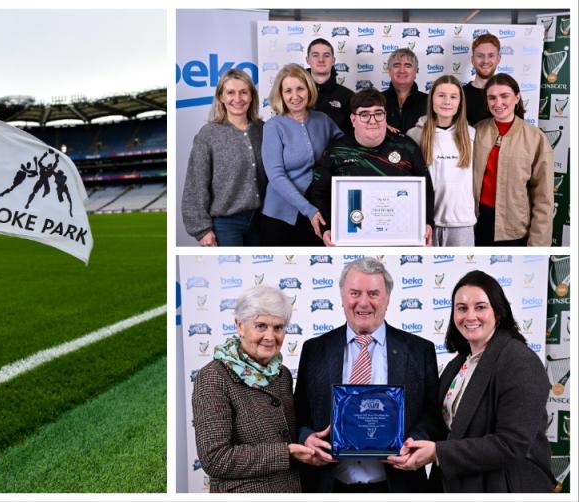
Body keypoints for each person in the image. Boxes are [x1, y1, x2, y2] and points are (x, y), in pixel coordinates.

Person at [387, 270, 556, 492]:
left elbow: (512, 444)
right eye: (462, 308)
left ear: (498, 312)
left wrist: (438, 453)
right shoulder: (457, 365)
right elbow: (446, 427)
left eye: (480, 307)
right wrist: (411, 442)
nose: (470, 316)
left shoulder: (520, 360)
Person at [294, 257, 441, 492]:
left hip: (397, 486)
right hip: (328, 485)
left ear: (387, 299)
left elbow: (432, 415)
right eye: (355, 293)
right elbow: (298, 415)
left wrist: (413, 441)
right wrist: (306, 438)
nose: (363, 302)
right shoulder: (314, 350)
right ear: (342, 297)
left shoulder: (419, 350)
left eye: (373, 293)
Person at [192, 285, 316, 492]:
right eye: (261, 326)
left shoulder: (282, 374)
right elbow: (215, 458)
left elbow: (286, 435)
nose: (270, 336)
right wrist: (285, 453)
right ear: (240, 325)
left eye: (278, 327)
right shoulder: (214, 376)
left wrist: (307, 440)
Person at [307, 88, 435, 246]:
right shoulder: (336, 151)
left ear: (385, 116)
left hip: (400, 238)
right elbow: (319, 192)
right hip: (352, 237)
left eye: (378, 113)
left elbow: (426, 188)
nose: (372, 120)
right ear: (353, 119)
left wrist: (427, 222)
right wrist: (328, 227)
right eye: (364, 114)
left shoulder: (407, 147)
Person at [261, 63, 343, 246]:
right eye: (288, 91)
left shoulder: (323, 120)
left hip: (316, 209)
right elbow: (276, 176)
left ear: (309, 90)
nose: (295, 96)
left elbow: (346, 145)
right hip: (280, 216)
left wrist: (377, 127)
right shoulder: (273, 127)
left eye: (300, 89)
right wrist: (309, 209)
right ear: (280, 95)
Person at [181, 68, 264, 246]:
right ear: (221, 97)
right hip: (227, 226)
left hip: (261, 222)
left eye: (244, 92)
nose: (238, 99)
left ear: (251, 96)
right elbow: (195, 184)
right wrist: (202, 230)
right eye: (230, 93)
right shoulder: (209, 134)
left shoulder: (263, 130)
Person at [473, 73, 554, 246]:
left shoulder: (535, 138)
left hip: (513, 229)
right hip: (475, 224)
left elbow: (544, 197)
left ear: (517, 98)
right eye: (492, 98)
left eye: (505, 96)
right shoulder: (476, 131)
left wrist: (538, 244)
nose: (498, 103)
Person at [406, 75, 476, 246]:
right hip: (426, 223)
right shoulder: (415, 135)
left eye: (453, 97)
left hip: (462, 223)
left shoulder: (472, 134)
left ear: (460, 102)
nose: (447, 102)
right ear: (432, 99)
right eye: (441, 95)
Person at [305, 38, 354, 136]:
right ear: (307, 60)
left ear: (333, 60)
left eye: (326, 55)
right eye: (315, 55)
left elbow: (355, 133)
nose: (321, 60)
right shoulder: (296, 95)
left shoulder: (348, 96)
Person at [382, 48, 427, 134]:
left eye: (408, 66)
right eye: (396, 65)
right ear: (389, 71)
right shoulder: (376, 101)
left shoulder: (429, 102)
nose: (402, 70)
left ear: (416, 71)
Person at [463, 34, 501, 126]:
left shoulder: (508, 94)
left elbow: (518, 130)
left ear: (498, 59)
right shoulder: (460, 94)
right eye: (480, 56)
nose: (486, 61)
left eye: (491, 55)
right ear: (472, 60)